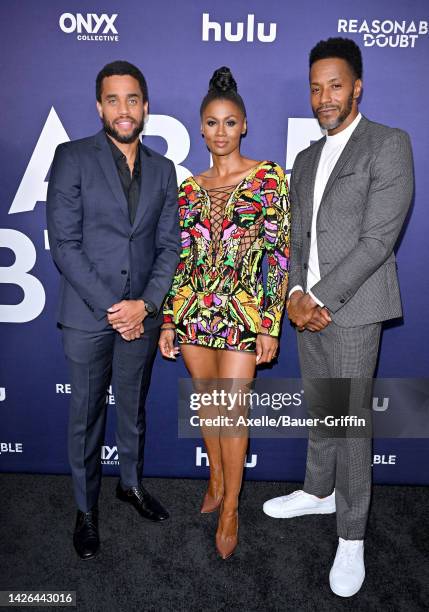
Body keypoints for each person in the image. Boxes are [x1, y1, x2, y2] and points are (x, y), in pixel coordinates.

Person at [263, 38, 414, 596]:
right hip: (309, 307)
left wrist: (319, 298)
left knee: (350, 425)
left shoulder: (387, 144)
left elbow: (377, 241)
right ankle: (318, 491)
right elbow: (296, 239)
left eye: (335, 86)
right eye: (315, 87)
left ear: (357, 86)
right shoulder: (305, 158)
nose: (324, 98)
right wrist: (295, 294)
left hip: (352, 310)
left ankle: (352, 537)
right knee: (323, 409)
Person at [46, 60, 180, 559]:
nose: (123, 110)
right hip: (88, 316)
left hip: (141, 316)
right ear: (99, 106)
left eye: (132, 100)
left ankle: (130, 484)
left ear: (145, 106)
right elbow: (65, 245)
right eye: (113, 99)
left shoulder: (165, 170)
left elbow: (169, 247)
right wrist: (114, 308)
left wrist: (144, 306)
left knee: (132, 409)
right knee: (85, 416)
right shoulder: (72, 157)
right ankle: (86, 509)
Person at [159, 67, 290, 559]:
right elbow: (181, 257)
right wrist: (170, 318)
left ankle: (232, 506)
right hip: (194, 309)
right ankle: (215, 477)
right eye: (212, 123)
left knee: (232, 410)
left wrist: (269, 324)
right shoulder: (188, 187)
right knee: (208, 405)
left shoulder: (268, 177)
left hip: (242, 311)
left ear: (245, 125)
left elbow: (278, 257)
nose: (221, 132)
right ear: (200, 128)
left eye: (230, 122)